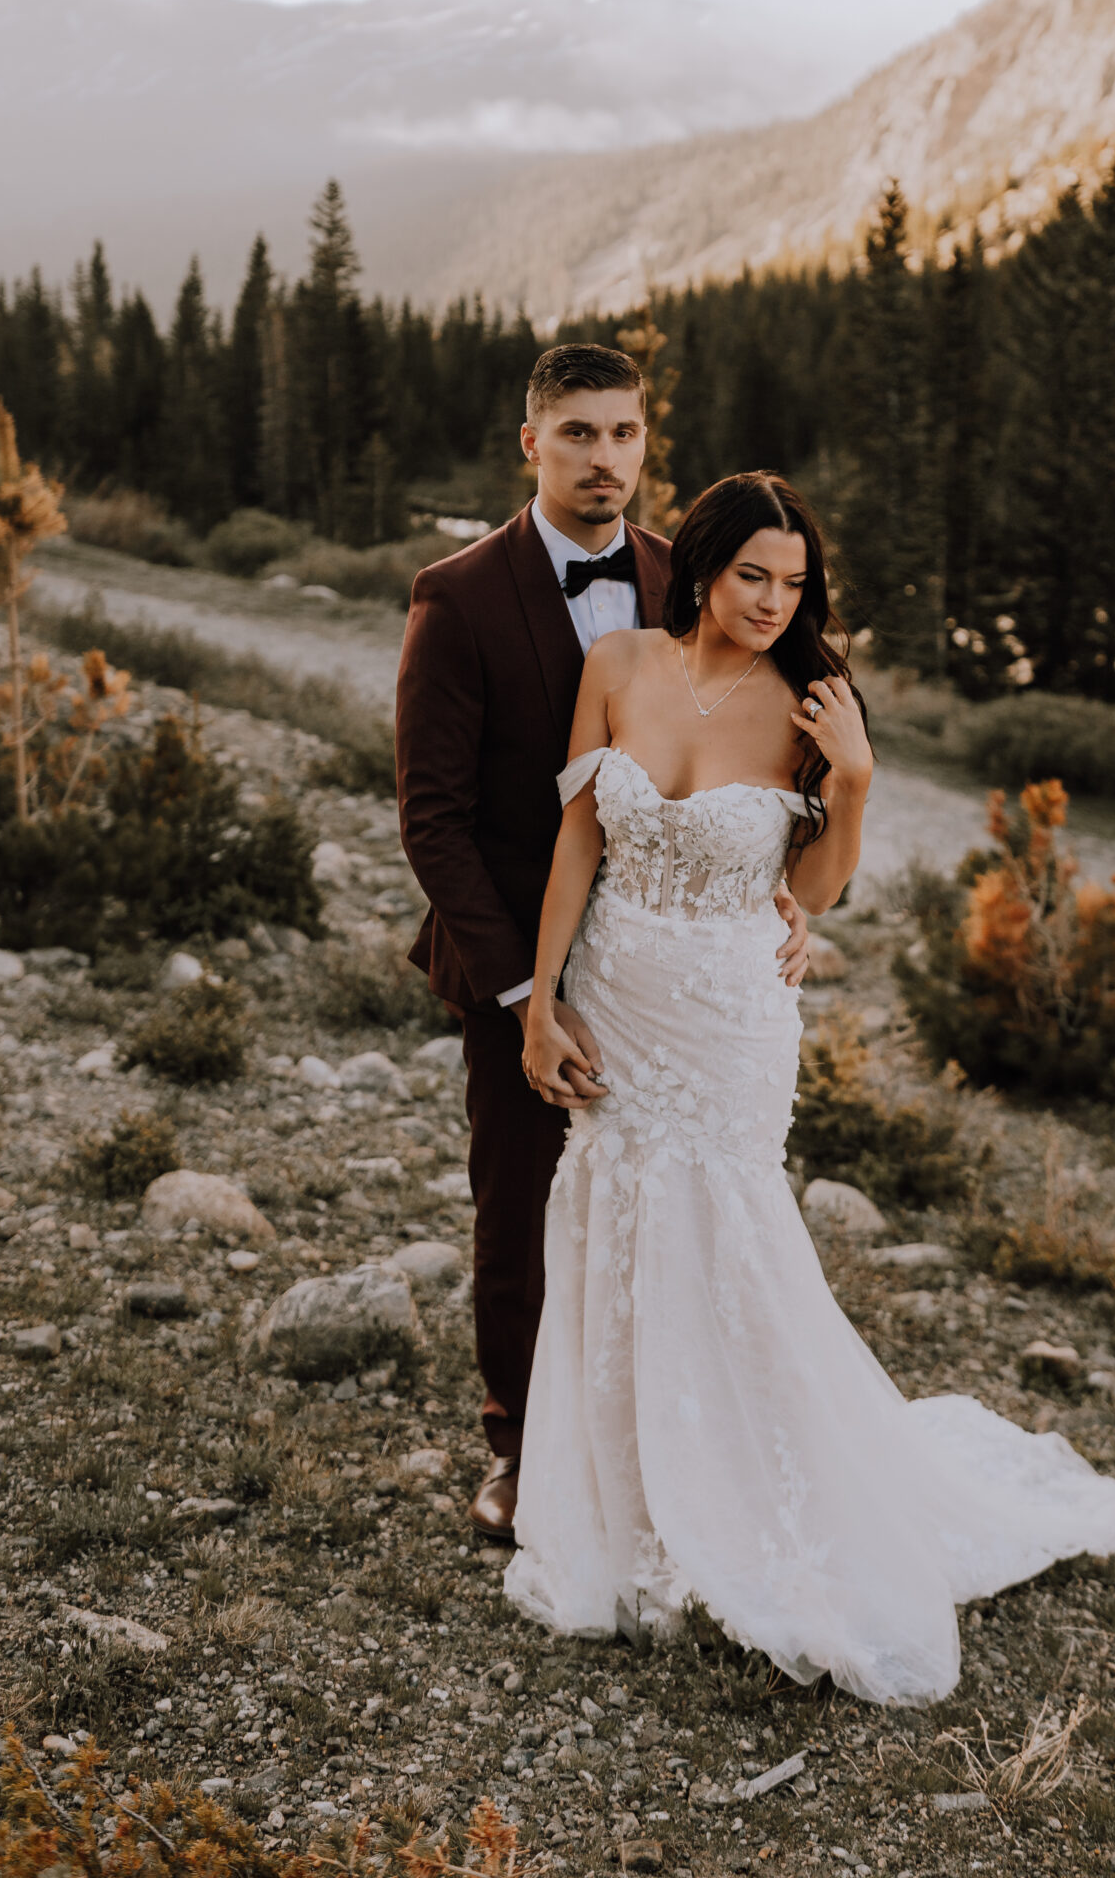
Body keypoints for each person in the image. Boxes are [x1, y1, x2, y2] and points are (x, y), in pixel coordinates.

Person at [504, 471, 1115, 1704]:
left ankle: (756, 1502)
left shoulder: (816, 700)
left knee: (728, 1241)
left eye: (795, 582)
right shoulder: (622, 665)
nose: (772, 601)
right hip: (615, 995)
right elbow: (578, 840)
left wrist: (850, 781)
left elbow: (819, 891)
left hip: (728, 1018)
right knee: (613, 1223)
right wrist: (540, 1001)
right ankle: (624, 1510)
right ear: (700, 566)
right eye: (753, 574)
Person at [393, 346, 809, 1545]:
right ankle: (521, 1446)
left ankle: (667, 1439)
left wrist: (775, 893)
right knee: (523, 1203)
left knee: (666, 1206)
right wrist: (526, 987)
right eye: (578, 434)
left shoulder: (702, 578)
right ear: (530, 443)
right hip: (521, 961)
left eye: (624, 434)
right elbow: (433, 818)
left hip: (670, 975)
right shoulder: (458, 594)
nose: (605, 460)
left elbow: (760, 758)